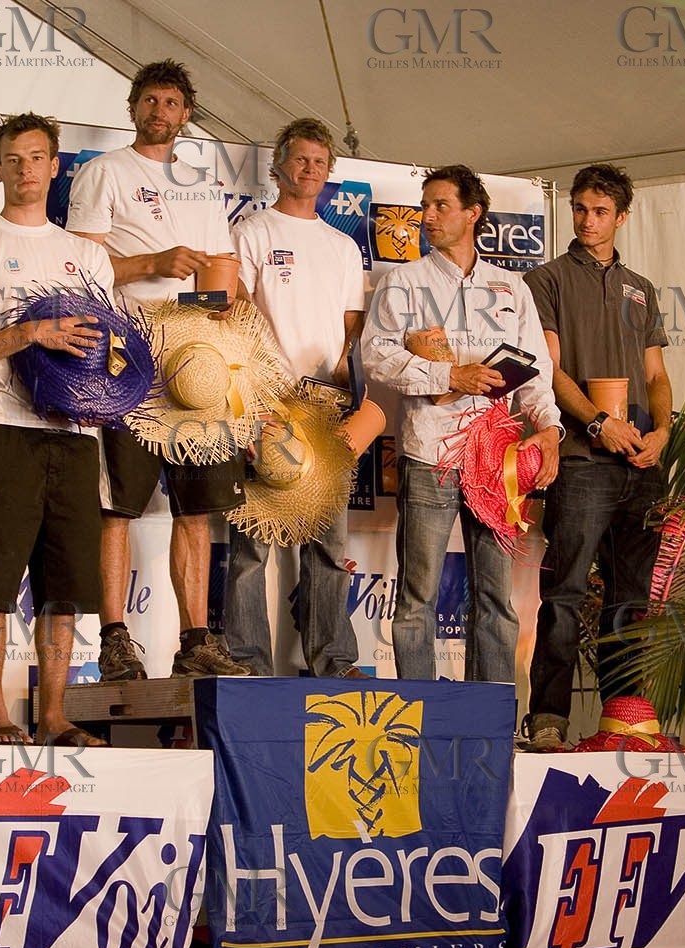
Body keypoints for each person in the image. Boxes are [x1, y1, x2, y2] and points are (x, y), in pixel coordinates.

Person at [66, 59, 250, 681]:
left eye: (171, 101)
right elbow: (80, 266)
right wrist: (154, 261)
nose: (158, 111)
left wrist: (229, 296)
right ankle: (114, 639)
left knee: (196, 509)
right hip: (128, 351)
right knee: (118, 504)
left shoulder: (203, 185)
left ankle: (196, 639)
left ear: (186, 114)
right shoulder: (103, 173)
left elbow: (222, 265)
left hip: (196, 357)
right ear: (133, 108)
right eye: (148, 100)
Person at [0, 113, 111, 748]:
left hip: (75, 437)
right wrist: (28, 334)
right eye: (13, 159)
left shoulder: (87, 256)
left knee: (62, 588)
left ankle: (54, 715)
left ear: (54, 165)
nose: (26, 170)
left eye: (37, 158)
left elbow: (110, 349)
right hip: (4, 431)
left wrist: (102, 393)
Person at [362, 165, 563, 683]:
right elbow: (376, 356)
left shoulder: (511, 286)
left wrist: (549, 431)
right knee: (417, 595)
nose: (427, 216)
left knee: (497, 595)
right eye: (424, 205)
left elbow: (536, 371)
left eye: (440, 206)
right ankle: (419, 713)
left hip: (497, 459)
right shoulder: (402, 281)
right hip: (431, 453)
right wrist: (449, 373)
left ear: (473, 214)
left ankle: (490, 715)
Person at [521, 163, 673, 752]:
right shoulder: (547, 280)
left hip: (641, 462)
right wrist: (597, 423)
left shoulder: (642, 288)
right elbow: (548, 369)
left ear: (622, 217)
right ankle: (549, 719)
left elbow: (657, 373)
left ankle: (624, 717)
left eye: (601, 211)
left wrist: (661, 431)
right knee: (564, 592)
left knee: (631, 599)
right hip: (584, 459)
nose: (588, 220)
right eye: (581, 209)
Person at [222, 118, 366, 677]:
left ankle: (332, 658)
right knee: (251, 543)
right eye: (300, 159)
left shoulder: (343, 246)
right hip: (263, 400)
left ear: (330, 174)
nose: (310, 169)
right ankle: (247, 660)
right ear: (278, 165)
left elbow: (353, 326)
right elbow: (235, 309)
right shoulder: (251, 232)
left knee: (329, 542)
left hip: (326, 401)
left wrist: (342, 384)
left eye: (320, 162)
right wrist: (260, 387)